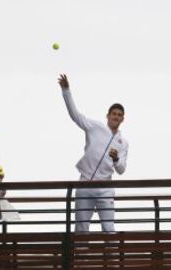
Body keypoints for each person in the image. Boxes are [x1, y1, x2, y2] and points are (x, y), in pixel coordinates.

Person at [58, 74, 128, 233]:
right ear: (108, 116)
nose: (116, 117)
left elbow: (121, 170)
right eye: (113, 114)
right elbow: (75, 115)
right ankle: (81, 258)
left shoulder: (123, 143)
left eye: (119, 115)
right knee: (81, 228)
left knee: (109, 228)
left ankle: (112, 258)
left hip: (105, 186)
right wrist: (66, 90)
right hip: (85, 182)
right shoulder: (95, 127)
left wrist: (116, 159)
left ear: (122, 119)